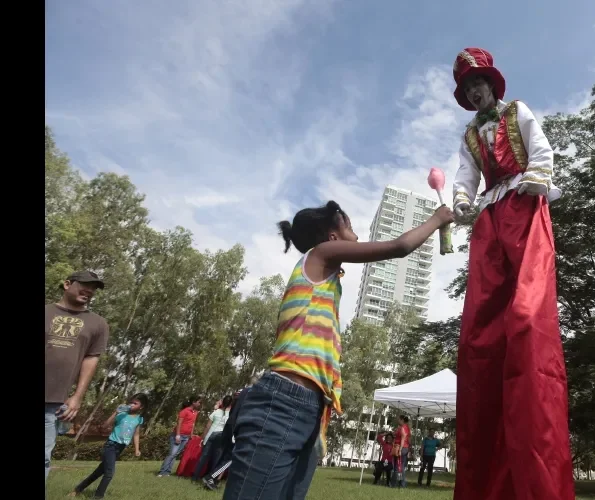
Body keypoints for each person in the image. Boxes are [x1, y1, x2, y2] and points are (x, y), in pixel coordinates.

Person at [222, 201, 453, 500]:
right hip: (281, 401)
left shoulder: (325, 279)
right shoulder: (320, 254)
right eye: (351, 227)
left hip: (308, 406)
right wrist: (437, 219)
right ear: (332, 238)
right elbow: (399, 247)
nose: (356, 235)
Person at [449, 47, 574, 500]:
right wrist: (462, 200)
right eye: (466, 87)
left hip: (522, 203)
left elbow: (540, 149)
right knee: (481, 330)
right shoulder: (469, 136)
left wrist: (538, 175)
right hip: (490, 217)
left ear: (492, 83)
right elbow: (465, 177)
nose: (474, 89)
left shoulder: (517, 111)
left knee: (526, 316)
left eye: (478, 82)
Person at [46, 271, 110, 484]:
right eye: (85, 284)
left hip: (54, 402)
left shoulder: (98, 324)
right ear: (67, 284)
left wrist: (77, 396)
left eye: (93, 288)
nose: (89, 290)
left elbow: (91, 360)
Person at [68, 394, 147, 499]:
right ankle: (98, 496)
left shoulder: (139, 419)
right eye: (131, 402)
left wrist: (137, 449)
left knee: (99, 472)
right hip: (110, 445)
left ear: (141, 407)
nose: (131, 405)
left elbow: (136, 434)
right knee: (109, 473)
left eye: (135, 403)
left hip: (120, 448)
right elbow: (105, 426)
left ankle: (77, 490)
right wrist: (115, 412)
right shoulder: (122, 414)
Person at [202, 383, 255, 491]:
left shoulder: (240, 393)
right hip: (236, 427)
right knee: (231, 457)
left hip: (229, 425)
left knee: (225, 455)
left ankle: (214, 480)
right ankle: (211, 477)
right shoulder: (251, 394)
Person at [157, 396, 201, 477]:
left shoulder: (195, 413)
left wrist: (191, 435)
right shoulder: (184, 411)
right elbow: (179, 423)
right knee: (172, 454)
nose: (199, 404)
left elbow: (192, 424)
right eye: (198, 402)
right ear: (193, 402)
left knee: (175, 454)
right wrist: (177, 435)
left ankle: (167, 472)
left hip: (186, 437)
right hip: (179, 435)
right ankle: (162, 472)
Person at [192, 395, 232, 481]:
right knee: (216, 459)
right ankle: (209, 478)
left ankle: (195, 477)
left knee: (203, 458)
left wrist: (203, 438)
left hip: (211, 435)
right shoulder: (230, 415)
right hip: (221, 436)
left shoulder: (216, 412)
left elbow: (207, 426)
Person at [393, 415, 411, 488]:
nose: (398, 421)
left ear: (402, 420)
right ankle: (401, 483)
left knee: (398, 467)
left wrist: (400, 450)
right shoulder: (407, 428)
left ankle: (396, 483)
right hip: (405, 448)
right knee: (401, 467)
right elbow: (409, 439)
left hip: (401, 448)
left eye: (399, 419)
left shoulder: (403, 428)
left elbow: (403, 439)